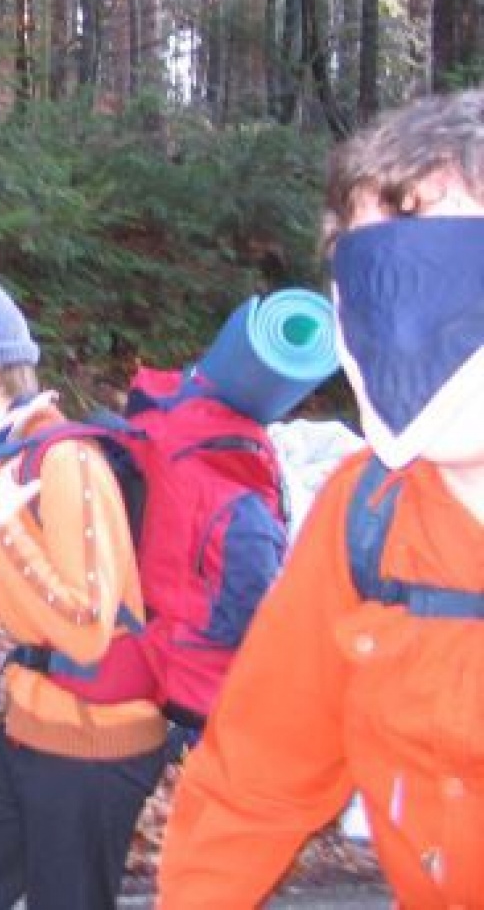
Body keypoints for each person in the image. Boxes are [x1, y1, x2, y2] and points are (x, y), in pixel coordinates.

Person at [158, 89, 484, 905]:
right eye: (377, 282)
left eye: (440, 272)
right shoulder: (364, 515)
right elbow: (255, 780)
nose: (407, 330)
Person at [0, 276, 168, 910]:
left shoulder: (65, 464)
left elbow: (87, 630)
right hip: (28, 733)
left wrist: (10, 526)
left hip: (95, 749)